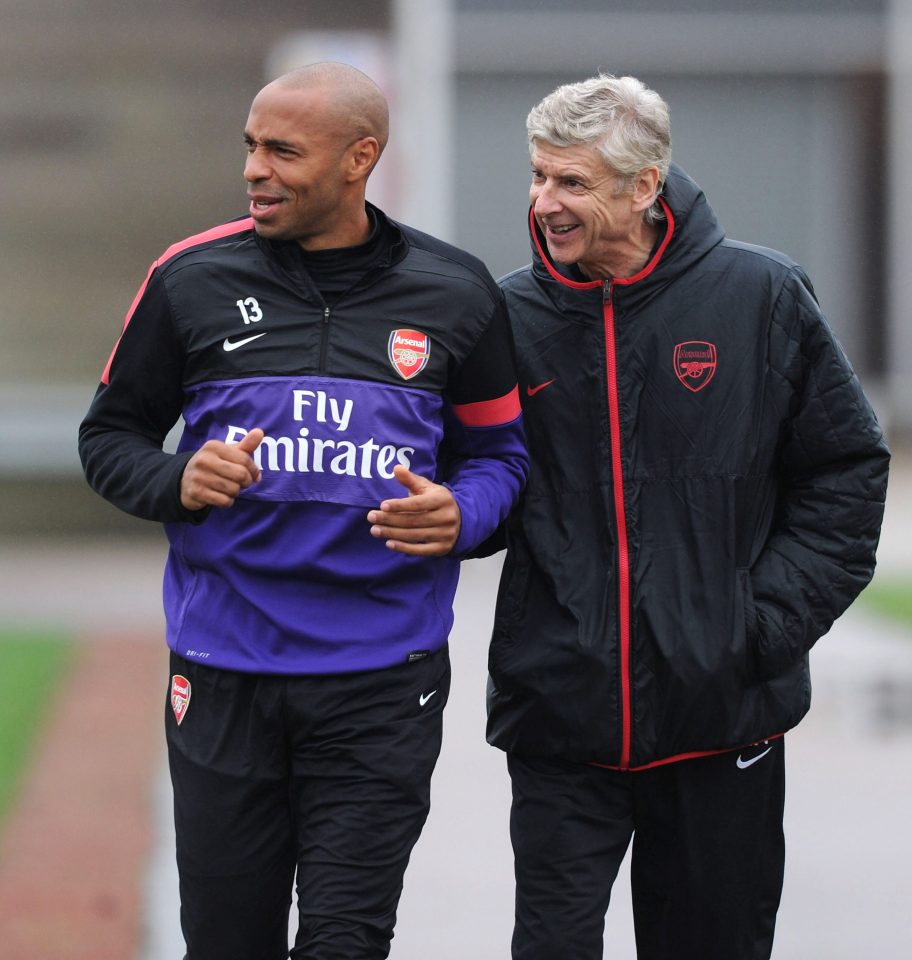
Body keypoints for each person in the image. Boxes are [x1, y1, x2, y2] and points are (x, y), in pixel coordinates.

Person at [79, 61, 528, 960]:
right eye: (251, 146)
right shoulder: (188, 278)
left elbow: (502, 459)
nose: (255, 169)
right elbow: (110, 438)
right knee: (226, 943)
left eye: (283, 151)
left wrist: (464, 514)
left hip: (382, 683)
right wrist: (177, 479)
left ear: (360, 158)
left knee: (346, 943)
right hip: (222, 674)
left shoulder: (457, 291)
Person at [484, 73, 890, 960]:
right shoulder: (505, 315)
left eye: (572, 181)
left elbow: (845, 470)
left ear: (644, 185)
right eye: (539, 175)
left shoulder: (762, 295)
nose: (544, 202)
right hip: (561, 720)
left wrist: (759, 627)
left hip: (721, 717)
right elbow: (486, 490)